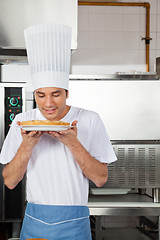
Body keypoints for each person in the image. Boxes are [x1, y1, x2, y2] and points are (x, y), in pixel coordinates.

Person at [0, 24, 117, 240]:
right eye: (41, 95)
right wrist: (27, 145)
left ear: (67, 93)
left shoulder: (89, 119)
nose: (49, 103)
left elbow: (100, 179)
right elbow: (9, 181)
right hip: (36, 220)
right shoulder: (23, 121)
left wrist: (73, 142)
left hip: (76, 224)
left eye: (56, 94)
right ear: (34, 94)